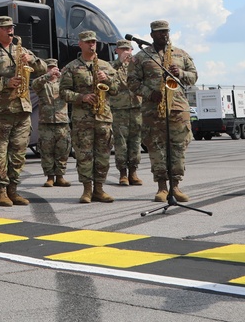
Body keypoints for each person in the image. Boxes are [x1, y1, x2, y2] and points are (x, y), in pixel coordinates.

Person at [0, 15, 48, 207]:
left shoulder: (21, 49)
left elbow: (44, 68)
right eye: (6, 27)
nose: (10, 30)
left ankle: (13, 190)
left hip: (21, 109)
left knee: (18, 152)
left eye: (11, 27)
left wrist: (31, 59)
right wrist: (5, 83)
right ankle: (1, 191)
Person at [128, 20, 198, 203]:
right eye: (159, 32)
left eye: (166, 31)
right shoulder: (142, 56)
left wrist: (181, 73)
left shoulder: (181, 54)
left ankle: (175, 186)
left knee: (178, 148)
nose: (163, 35)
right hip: (153, 110)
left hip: (177, 108)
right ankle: (161, 187)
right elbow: (132, 82)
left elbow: (194, 76)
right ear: (151, 35)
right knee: (156, 148)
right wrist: (149, 94)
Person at [59, 31, 120, 203]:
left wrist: (106, 79)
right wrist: (81, 97)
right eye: (87, 42)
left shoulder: (106, 66)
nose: (91, 45)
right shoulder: (71, 67)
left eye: (93, 42)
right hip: (82, 119)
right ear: (80, 44)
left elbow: (116, 90)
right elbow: (63, 92)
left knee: (103, 155)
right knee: (84, 155)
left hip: (103, 118)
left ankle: (99, 189)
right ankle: (87, 190)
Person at [31, 58, 72, 189]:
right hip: (46, 122)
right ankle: (49, 177)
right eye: (49, 68)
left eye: (54, 67)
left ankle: (60, 176)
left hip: (62, 122)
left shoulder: (62, 83)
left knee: (63, 149)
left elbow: (73, 90)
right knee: (46, 150)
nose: (53, 70)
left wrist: (64, 76)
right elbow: (34, 85)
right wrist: (47, 76)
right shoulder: (42, 83)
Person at [111, 39, 143, 186]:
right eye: (122, 49)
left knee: (135, 142)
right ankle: (123, 173)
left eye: (128, 49)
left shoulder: (137, 66)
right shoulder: (112, 66)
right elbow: (107, 76)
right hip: (119, 109)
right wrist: (120, 62)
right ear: (117, 51)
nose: (126, 52)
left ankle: (133, 172)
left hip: (136, 108)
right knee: (121, 143)